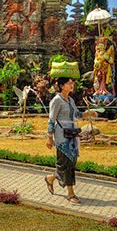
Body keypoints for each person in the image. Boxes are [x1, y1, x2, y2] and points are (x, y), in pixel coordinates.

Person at [44, 76, 98, 205]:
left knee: (71, 162)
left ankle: (50, 178)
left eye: (72, 83)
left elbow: (77, 115)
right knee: (65, 163)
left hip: (72, 134)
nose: (71, 85)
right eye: (68, 83)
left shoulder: (71, 100)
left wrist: (89, 114)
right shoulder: (57, 100)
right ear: (61, 86)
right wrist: (50, 137)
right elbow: (51, 119)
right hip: (62, 135)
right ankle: (70, 193)